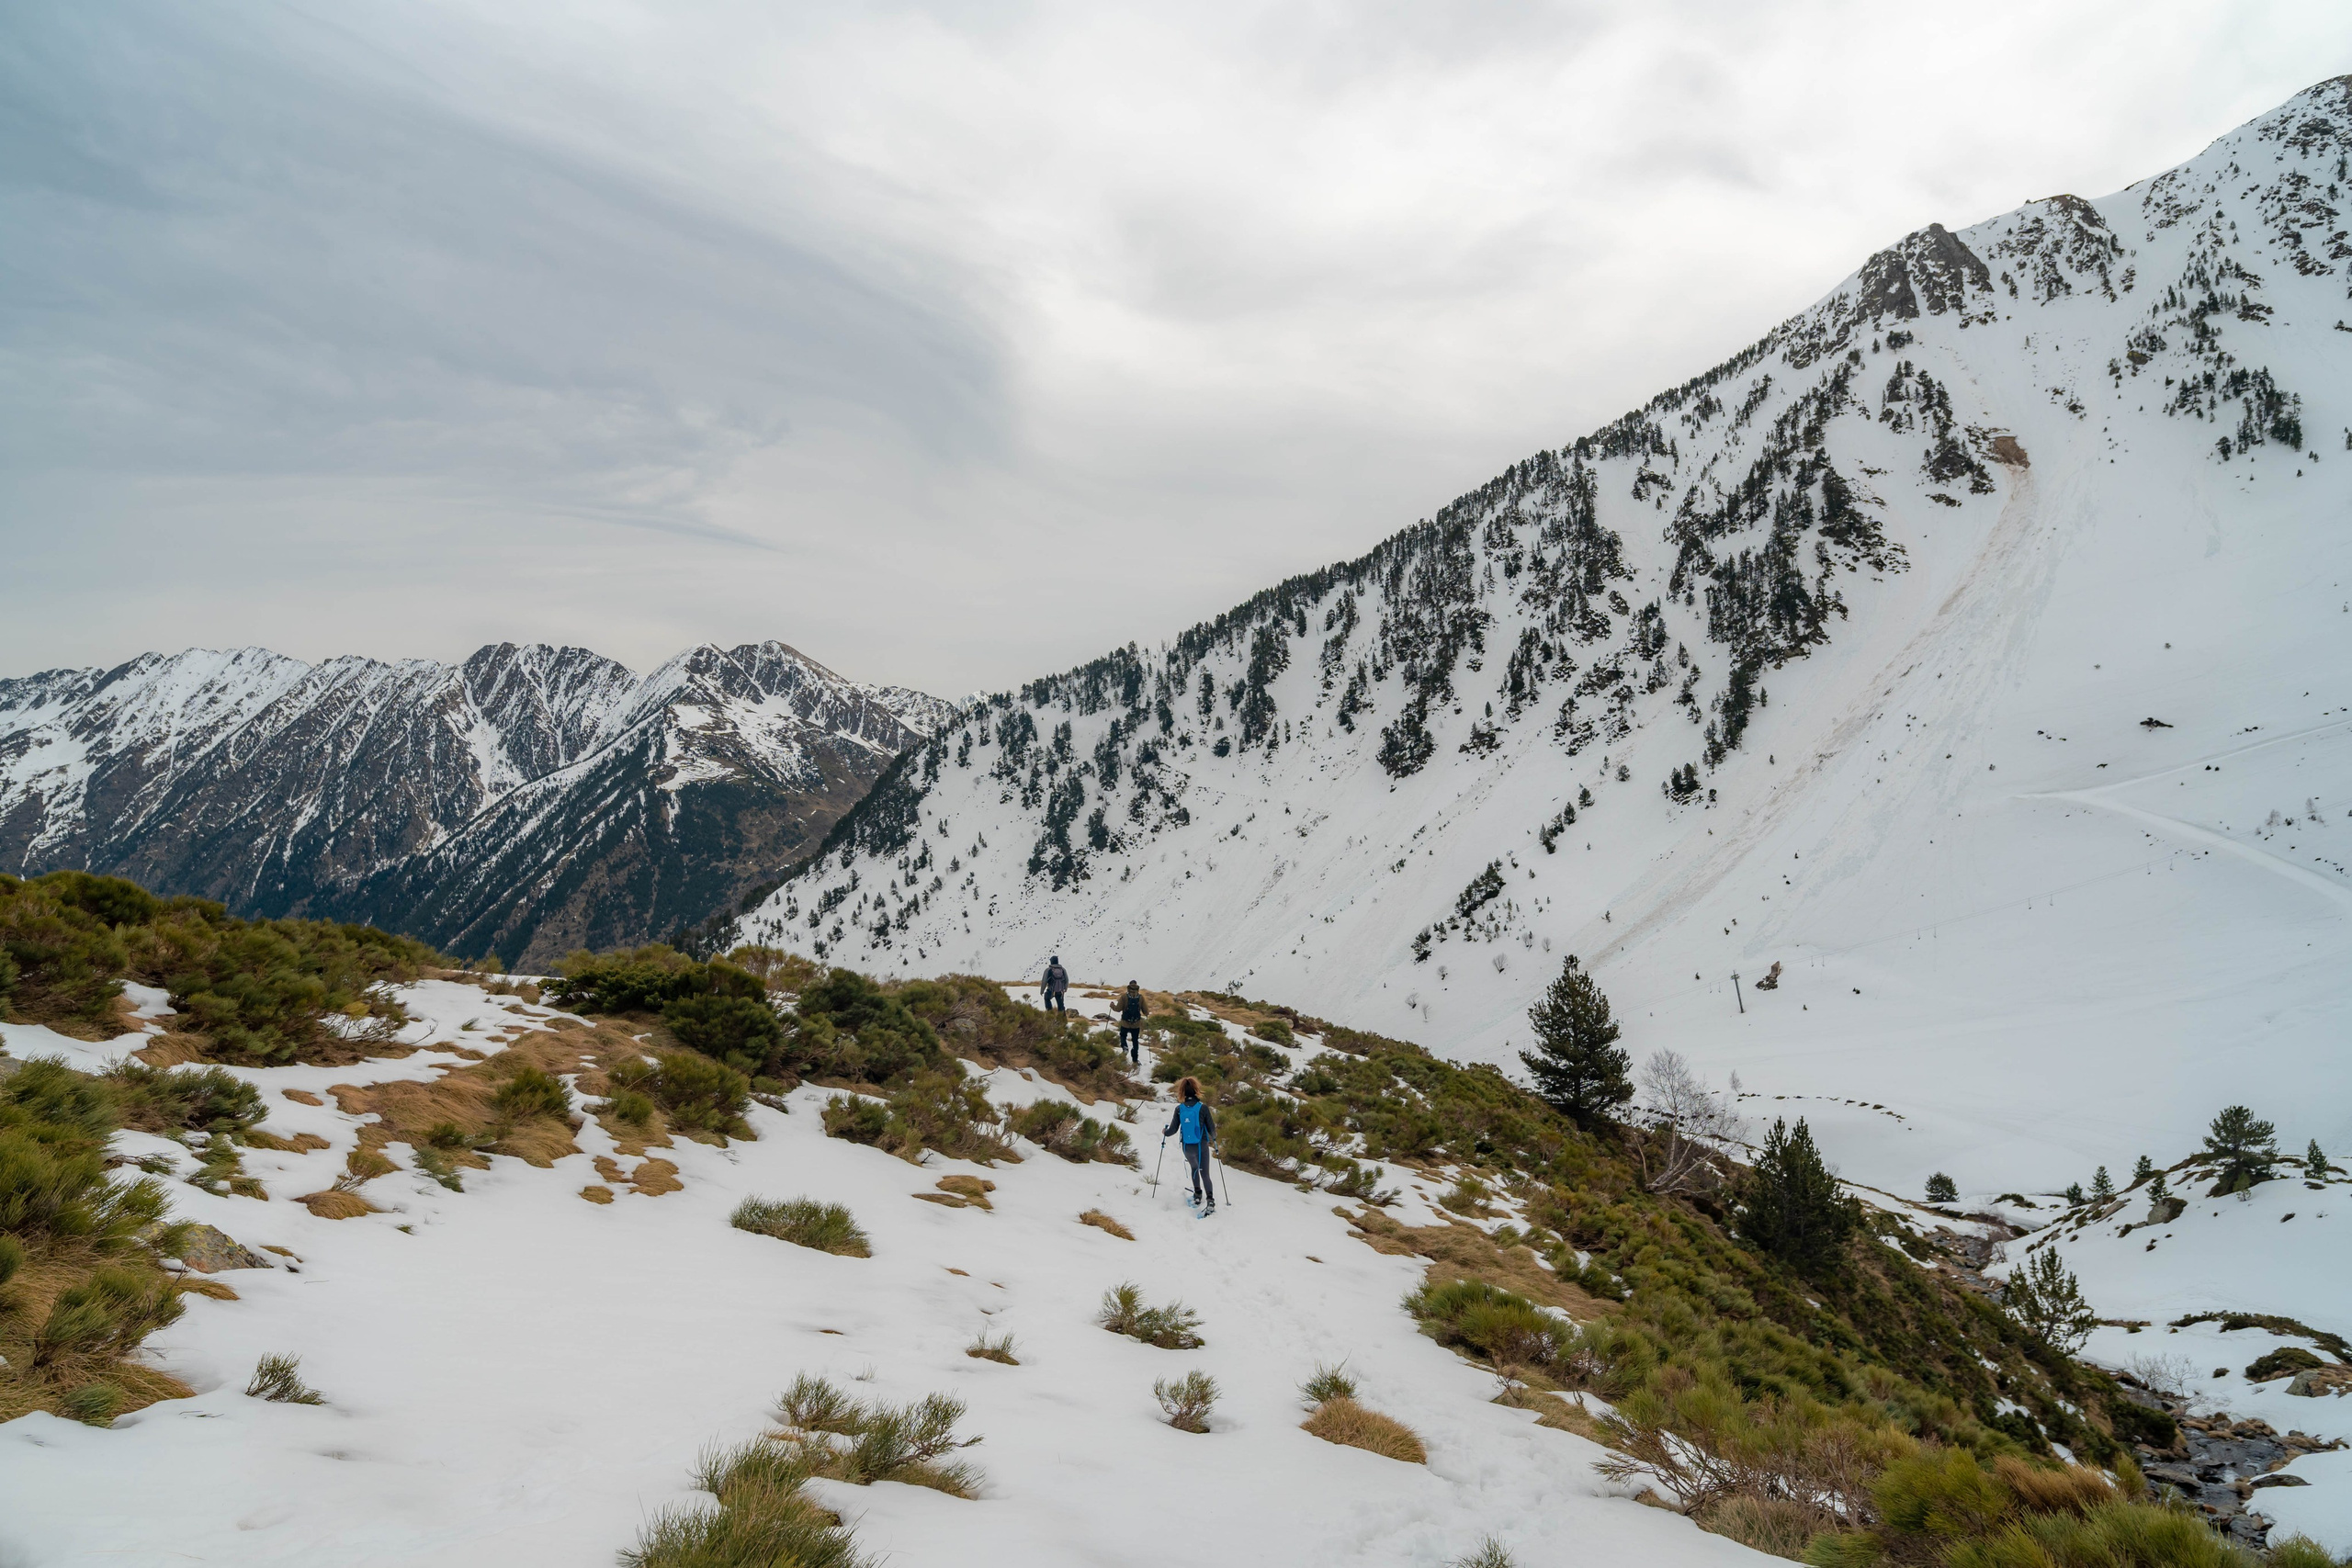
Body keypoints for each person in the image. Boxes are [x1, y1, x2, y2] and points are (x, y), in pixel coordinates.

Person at [1162, 1077, 1217, 1213]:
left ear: (1182, 1091)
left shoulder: (1179, 1109)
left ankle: (1197, 1194)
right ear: (1196, 1090)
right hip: (1201, 1146)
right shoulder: (1203, 1108)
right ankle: (1210, 1200)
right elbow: (1212, 1130)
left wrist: (1165, 1132)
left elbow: (1172, 1130)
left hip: (1187, 1147)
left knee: (1194, 1168)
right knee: (1205, 1173)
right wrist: (1214, 1139)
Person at [1117, 980, 1145, 1064]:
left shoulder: (1124, 997)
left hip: (1125, 1022)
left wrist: (1112, 1006)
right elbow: (1146, 1011)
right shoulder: (1140, 997)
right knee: (1135, 1041)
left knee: (1123, 1036)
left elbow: (1118, 1009)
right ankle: (1135, 1060)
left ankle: (1125, 1047)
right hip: (1136, 1024)